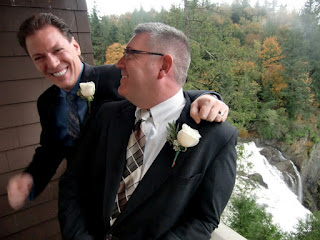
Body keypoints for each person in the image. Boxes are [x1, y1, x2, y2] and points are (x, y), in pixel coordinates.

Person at [6, 13, 229, 210]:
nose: (52, 63)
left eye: (57, 50)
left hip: (125, 199)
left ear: (75, 47)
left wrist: (207, 97)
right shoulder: (46, 102)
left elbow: (167, 92)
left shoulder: (117, 77)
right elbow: (50, 150)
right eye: (39, 58)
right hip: (81, 202)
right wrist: (30, 179)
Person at [58, 22, 238, 240]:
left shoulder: (216, 137)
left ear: (163, 66)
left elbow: (203, 218)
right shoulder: (106, 115)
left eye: (130, 54)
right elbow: (73, 181)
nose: (118, 64)